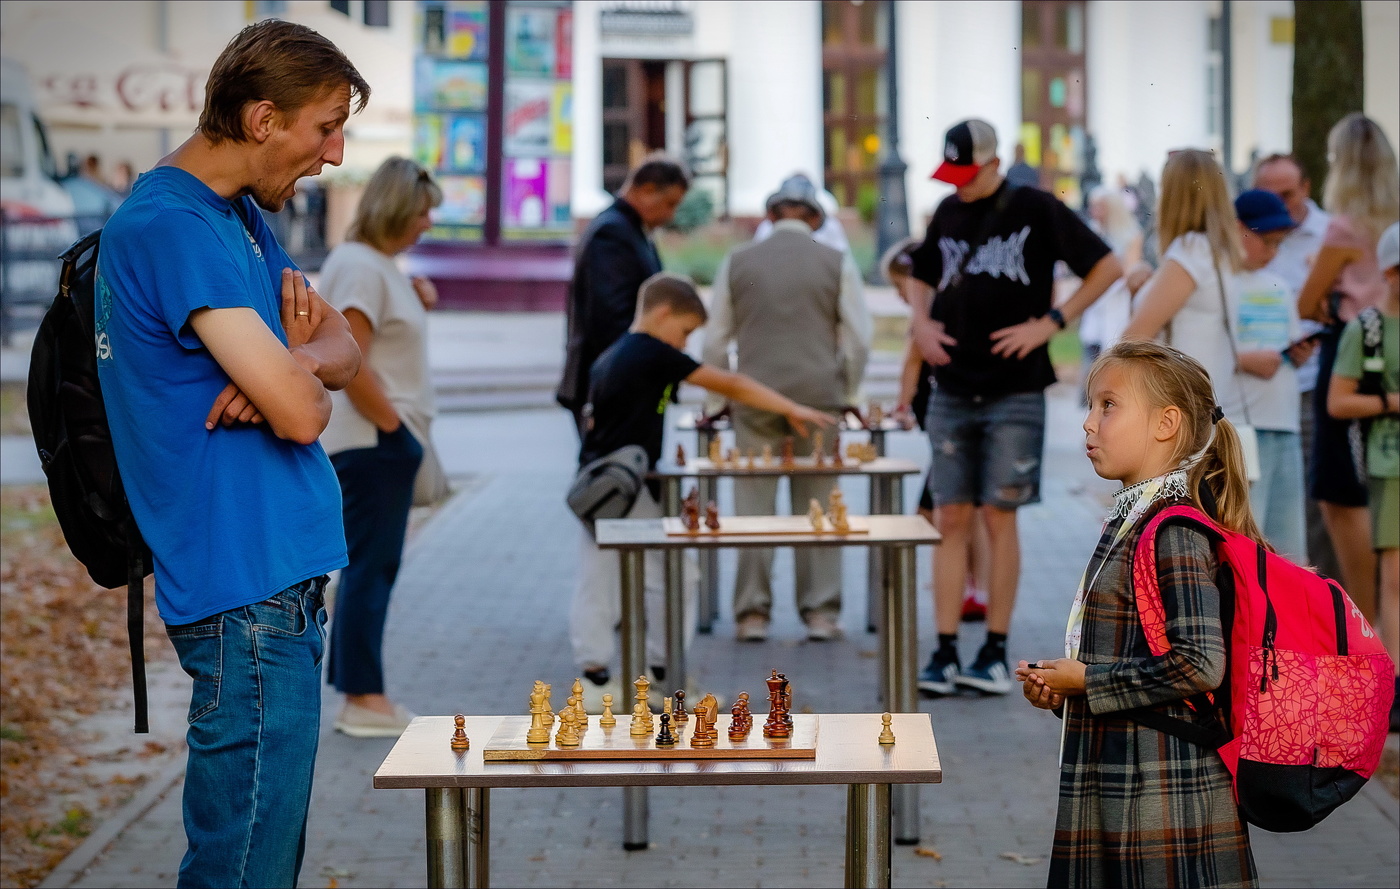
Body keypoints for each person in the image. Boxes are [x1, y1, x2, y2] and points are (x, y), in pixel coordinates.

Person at [93, 20, 368, 888]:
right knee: (244, 870)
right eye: (326, 127)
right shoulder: (172, 226)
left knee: (258, 863)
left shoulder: (235, 213)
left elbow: (344, 349)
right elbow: (304, 416)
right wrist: (295, 376)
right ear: (261, 119)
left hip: (273, 587)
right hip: (244, 592)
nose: (334, 153)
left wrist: (292, 364)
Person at [1016, 340, 1259, 887]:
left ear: (1166, 424)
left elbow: (1200, 664)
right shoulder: (1135, 520)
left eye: (1108, 406)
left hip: (1162, 795)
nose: (1089, 423)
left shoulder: (1173, 530)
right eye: (1091, 405)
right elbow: (1136, 656)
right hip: (1127, 779)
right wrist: (1066, 691)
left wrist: (1088, 680)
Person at [906, 119, 1122, 696]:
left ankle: (994, 651)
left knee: (999, 516)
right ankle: (944, 650)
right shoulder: (947, 212)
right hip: (952, 388)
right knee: (950, 516)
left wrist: (1051, 322)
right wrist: (920, 323)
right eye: (952, 174)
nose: (959, 185)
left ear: (995, 163)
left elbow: (1107, 266)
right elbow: (918, 273)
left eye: (967, 173)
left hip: (1014, 391)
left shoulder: (1035, 208)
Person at [572, 272, 835, 697]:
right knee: (675, 575)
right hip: (627, 489)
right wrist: (790, 408)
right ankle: (661, 673)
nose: (684, 344)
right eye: (685, 331)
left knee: (599, 576)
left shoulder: (614, 354)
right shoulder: (652, 351)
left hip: (597, 486)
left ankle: (595, 676)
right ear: (662, 314)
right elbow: (730, 382)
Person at [701, 175, 872, 642]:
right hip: (818, 401)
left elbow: (715, 341)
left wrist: (719, 400)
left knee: (753, 511)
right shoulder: (836, 261)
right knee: (819, 507)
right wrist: (848, 393)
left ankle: (751, 614)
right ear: (815, 218)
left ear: (770, 215)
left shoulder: (738, 261)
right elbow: (858, 339)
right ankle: (821, 612)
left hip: (753, 397)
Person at [318, 157, 442, 737]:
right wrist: (393, 429)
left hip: (377, 438)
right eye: (421, 212)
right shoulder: (361, 267)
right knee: (372, 568)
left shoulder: (375, 266)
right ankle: (363, 700)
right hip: (373, 440)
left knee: (370, 567)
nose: (427, 223)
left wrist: (418, 301)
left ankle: (359, 695)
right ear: (394, 210)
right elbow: (351, 361)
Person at [1295, 113, 1398, 622]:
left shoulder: (1343, 228)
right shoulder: (1394, 222)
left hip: (1349, 353)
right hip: (1392, 348)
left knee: (1341, 493)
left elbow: (1305, 302)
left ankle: (1367, 625)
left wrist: (1330, 304)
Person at [884, 237, 988, 621]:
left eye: (900, 286)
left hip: (951, 420)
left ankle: (961, 580)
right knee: (966, 507)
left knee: (941, 508)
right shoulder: (940, 309)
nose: (900, 295)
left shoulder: (929, 313)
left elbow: (912, 363)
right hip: (950, 418)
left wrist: (902, 404)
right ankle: (971, 585)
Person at [1251, 152, 1340, 579]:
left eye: (1286, 194)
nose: (1278, 205)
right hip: (1259, 386)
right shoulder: (1246, 235)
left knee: (1316, 499)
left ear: (1306, 188)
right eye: (1268, 195)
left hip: (1314, 379)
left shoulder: (1329, 234)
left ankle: (1320, 592)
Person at [556, 154, 690, 438]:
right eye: (670, 203)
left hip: (623, 381)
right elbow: (610, 318)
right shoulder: (612, 233)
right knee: (617, 465)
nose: (671, 215)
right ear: (647, 190)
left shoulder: (629, 229)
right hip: (613, 385)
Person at [1327, 221, 1400, 732]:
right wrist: (1392, 401)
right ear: (1391, 272)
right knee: (1394, 579)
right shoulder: (1367, 330)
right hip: (1388, 463)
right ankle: (1394, 686)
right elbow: (1338, 401)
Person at [1230, 189, 1314, 562]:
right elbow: (1203, 349)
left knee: (1288, 549)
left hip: (1285, 424)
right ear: (1238, 230)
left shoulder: (1277, 286)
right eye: (1267, 241)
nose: (1273, 251)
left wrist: (1299, 353)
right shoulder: (1220, 284)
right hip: (1244, 426)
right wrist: (1242, 360)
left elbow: (1288, 339)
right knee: (1248, 544)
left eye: (1280, 243)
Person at [1079, 184, 1143, 384]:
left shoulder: (1130, 234)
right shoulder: (1091, 231)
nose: (1094, 212)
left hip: (1116, 303)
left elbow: (1130, 270)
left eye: (1099, 207)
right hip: (1095, 304)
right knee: (1090, 361)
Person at [752, 171, 852, 254]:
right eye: (790, 205)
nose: (794, 211)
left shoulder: (830, 226)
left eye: (799, 206)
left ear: (814, 216)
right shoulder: (767, 227)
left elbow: (843, 255)